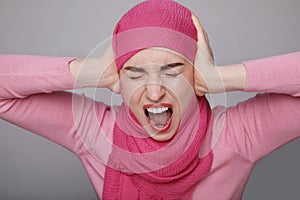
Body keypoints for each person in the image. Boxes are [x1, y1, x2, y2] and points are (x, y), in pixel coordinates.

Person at [0, 0, 299, 199]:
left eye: (172, 71)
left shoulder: (238, 134)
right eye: (135, 73)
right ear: (117, 79)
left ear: (197, 76)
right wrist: (88, 70)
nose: (154, 92)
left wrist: (222, 78)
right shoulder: (94, 132)